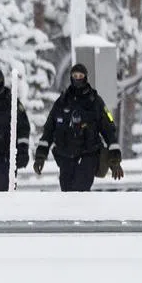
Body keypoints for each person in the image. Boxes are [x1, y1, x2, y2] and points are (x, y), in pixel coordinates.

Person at [33, 63, 123, 191]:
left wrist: (114, 159)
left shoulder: (95, 102)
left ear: (86, 77)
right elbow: (49, 130)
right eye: (75, 75)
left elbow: (109, 131)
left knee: (81, 192)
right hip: (65, 157)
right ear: (71, 77)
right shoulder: (62, 101)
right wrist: (40, 156)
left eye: (81, 75)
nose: (78, 78)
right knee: (67, 192)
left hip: (88, 155)